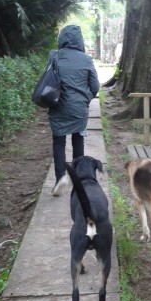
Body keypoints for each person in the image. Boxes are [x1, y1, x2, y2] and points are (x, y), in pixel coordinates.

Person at [47, 25, 100, 196]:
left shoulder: (54, 55)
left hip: (58, 105)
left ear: (61, 38)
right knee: (78, 140)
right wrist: (85, 99)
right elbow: (95, 86)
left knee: (59, 142)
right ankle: (79, 180)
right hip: (79, 108)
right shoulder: (86, 59)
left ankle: (60, 177)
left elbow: (48, 80)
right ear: (80, 40)